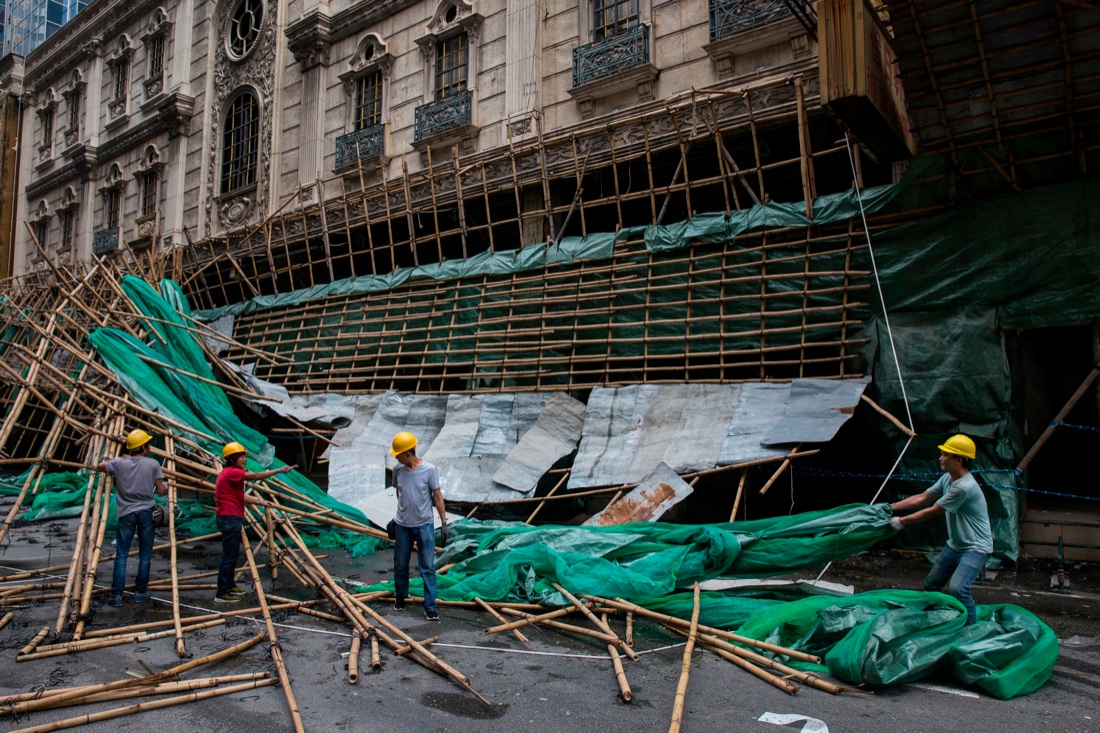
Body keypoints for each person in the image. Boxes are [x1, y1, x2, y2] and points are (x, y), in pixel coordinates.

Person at [889, 434, 993, 625]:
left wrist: (901, 521)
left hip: (976, 548)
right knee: (931, 585)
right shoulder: (947, 479)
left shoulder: (964, 487)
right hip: (955, 545)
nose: (940, 458)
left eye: (945, 454)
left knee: (959, 588)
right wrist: (890, 507)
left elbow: (933, 511)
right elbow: (922, 498)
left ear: (958, 460)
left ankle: (971, 628)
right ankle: (931, 621)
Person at [95, 429, 168, 607]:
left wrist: (112, 459)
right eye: (148, 444)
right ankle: (140, 592)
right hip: (146, 512)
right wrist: (164, 484)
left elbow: (100, 465)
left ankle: (117, 596)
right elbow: (161, 490)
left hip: (126, 512)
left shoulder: (119, 463)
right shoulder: (152, 464)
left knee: (121, 555)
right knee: (145, 554)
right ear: (143, 447)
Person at [214, 441, 288, 603]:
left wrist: (261, 502)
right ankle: (221, 592)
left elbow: (240, 496)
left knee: (232, 554)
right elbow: (254, 477)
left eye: (244, 456)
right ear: (232, 458)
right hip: (229, 518)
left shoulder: (230, 474)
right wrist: (278, 470)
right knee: (228, 556)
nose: (244, 459)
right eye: (241, 456)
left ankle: (230, 585)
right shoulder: (231, 472)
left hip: (230, 518)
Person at [389, 431, 448, 621]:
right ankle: (400, 597)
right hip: (403, 525)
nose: (396, 457)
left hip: (424, 525)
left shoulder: (429, 470)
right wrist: (399, 515)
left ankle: (430, 606)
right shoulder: (398, 470)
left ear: (407, 453)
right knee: (400, 564)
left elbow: (437, 497)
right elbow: (400, 492)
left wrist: (444, 522)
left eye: (398, 454)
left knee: (427, 566)